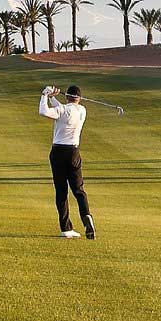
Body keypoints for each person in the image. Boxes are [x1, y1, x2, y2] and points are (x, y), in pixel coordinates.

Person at [39, 84, 96, 239]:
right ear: (79, 98)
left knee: (61, 191)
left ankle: (66, 229)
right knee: (78, 190)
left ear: (67, 97)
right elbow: (64, 110)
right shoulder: (82, 110)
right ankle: (86, 216)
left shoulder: (62, 110)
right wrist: (53, 98)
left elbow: (44, 111)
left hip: (58, 152)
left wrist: (45, 95)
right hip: (73, 153)